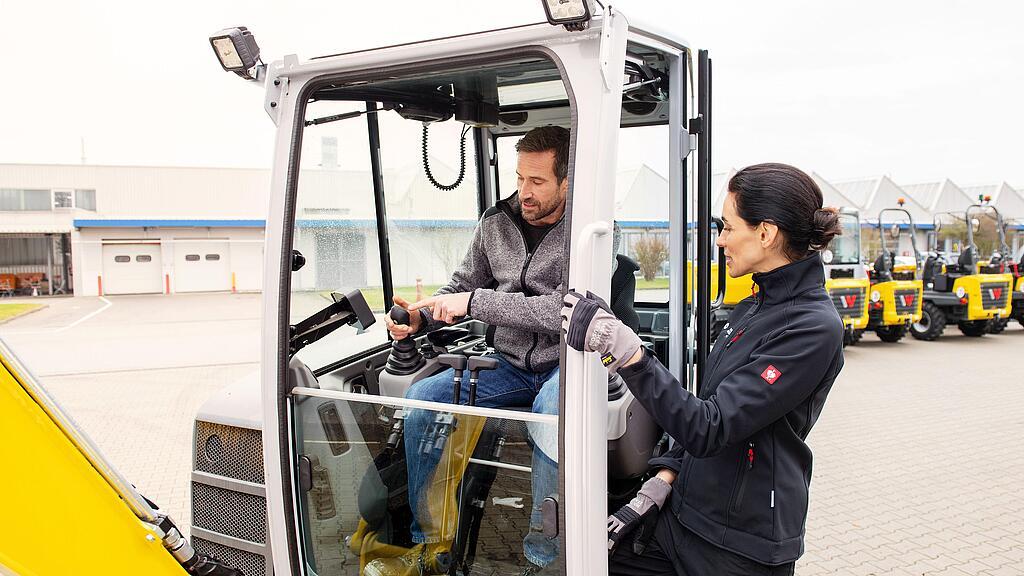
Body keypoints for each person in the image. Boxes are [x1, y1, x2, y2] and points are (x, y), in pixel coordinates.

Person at [562, 163, 845, 576]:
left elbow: (710, 427)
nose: (722, 240)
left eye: (728, 227)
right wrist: (661, 482)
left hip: (740, 546)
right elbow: (704, 406)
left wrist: (627, 353)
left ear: (765, 234)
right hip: (683, 517)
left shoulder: (812, 329)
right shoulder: (752, 308)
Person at [366, 126, 570, 576]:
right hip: (510, 367)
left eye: (537, 182)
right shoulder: (495, 223)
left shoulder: (590, 230)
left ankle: (542, 554)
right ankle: (431, 544)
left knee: (553, 410)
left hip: (567, 365)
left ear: (566, 181)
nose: (524, 192)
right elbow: (461, 288)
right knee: (422, 401)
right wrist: (420, 317)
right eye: (519, 179)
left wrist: (476, 303)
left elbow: (564, 310)